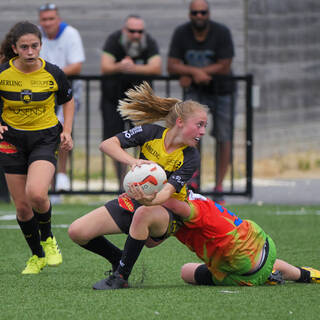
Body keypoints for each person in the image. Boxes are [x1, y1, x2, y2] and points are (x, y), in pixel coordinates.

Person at [68, 82, 208, 289]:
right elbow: (107, 144)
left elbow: (167, 193)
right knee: (77, 231)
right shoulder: (151, 133)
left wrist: (148, 200)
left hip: (168, 213)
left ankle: (121, 277)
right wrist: (132, 162)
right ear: (180, 122)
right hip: (136, 200)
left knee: (143, 213)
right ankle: (119, 259)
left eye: (205, 126)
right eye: (199, 124)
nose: (203, 131)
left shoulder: (190, 156)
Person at [0, 21, 74, 274]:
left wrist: (67, 131)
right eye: (24, 47)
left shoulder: (53, 73)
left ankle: (49, 239)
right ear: (15, 48)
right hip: (11, 140)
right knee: (21, 207)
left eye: (34, 46)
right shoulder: (3, 74)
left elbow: (68, 99)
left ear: (41, 46)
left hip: (44, 138)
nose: (30, 51)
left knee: (37, 194)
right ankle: (37, 256)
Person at [163, 191, 320, 286]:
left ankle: (268, 276)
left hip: (243, 273)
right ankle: (304, 274)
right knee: (252, 259)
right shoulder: (197, 200)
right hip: (264, 245)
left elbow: (174, 208)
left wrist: (146, 197)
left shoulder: (190, 211)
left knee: (186, 271)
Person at [167, 0, 236, 204]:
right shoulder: (181, 33)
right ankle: (193, 180)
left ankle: (219, 186)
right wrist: (194, 73)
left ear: (208, 14)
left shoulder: (221, 32)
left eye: (203, 12)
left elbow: (225, 65)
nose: (199, 16)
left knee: (224, 136)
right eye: (195, 12)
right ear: (190, 14)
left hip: (223, 91)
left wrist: (194, 72)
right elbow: (171, 65)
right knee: (190, 135)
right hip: (195, 92)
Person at [100, 14, 162, 191]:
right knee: (115, 141)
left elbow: (156, 67)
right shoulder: (114, 40)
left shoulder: (149, 42)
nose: (136, 34)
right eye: (132, 31)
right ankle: (123, 185)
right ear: (124, 30)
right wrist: (120, 66)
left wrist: (133, 68)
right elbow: (105, 66)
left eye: (139, 31)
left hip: (141, 102)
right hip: (113, 100)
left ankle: (148, 182)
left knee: (147, 141)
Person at [38, 3, 85, 192]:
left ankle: (61, 175)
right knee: (46, 134)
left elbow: (76, 66)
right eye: (44, 19)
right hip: (43, 92)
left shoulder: (71, 33)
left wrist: (49, 75)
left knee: (61, 131)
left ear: (58, 19)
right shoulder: (36, 35)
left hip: (67, 92)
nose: (48, 23)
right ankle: (50, 181)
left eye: (51, 18)